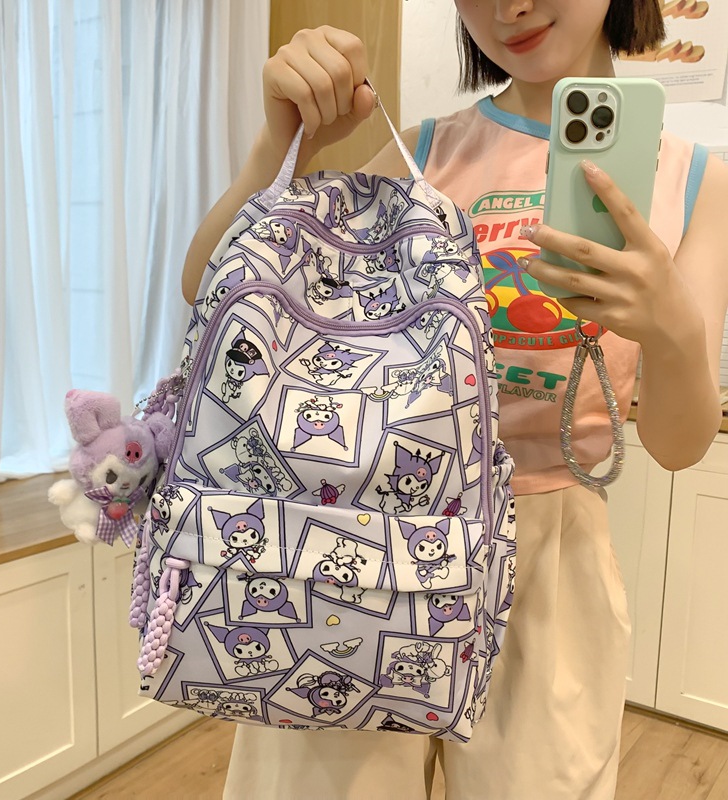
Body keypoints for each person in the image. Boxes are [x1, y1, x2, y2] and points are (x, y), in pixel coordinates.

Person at [182, 1, 728, 797]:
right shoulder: (426, 149)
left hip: (552, 556)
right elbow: (208, 287)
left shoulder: (694, 178)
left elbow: (680, 444)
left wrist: (672, 327)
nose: (510, 6)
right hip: (369, 536)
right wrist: (281, 146)